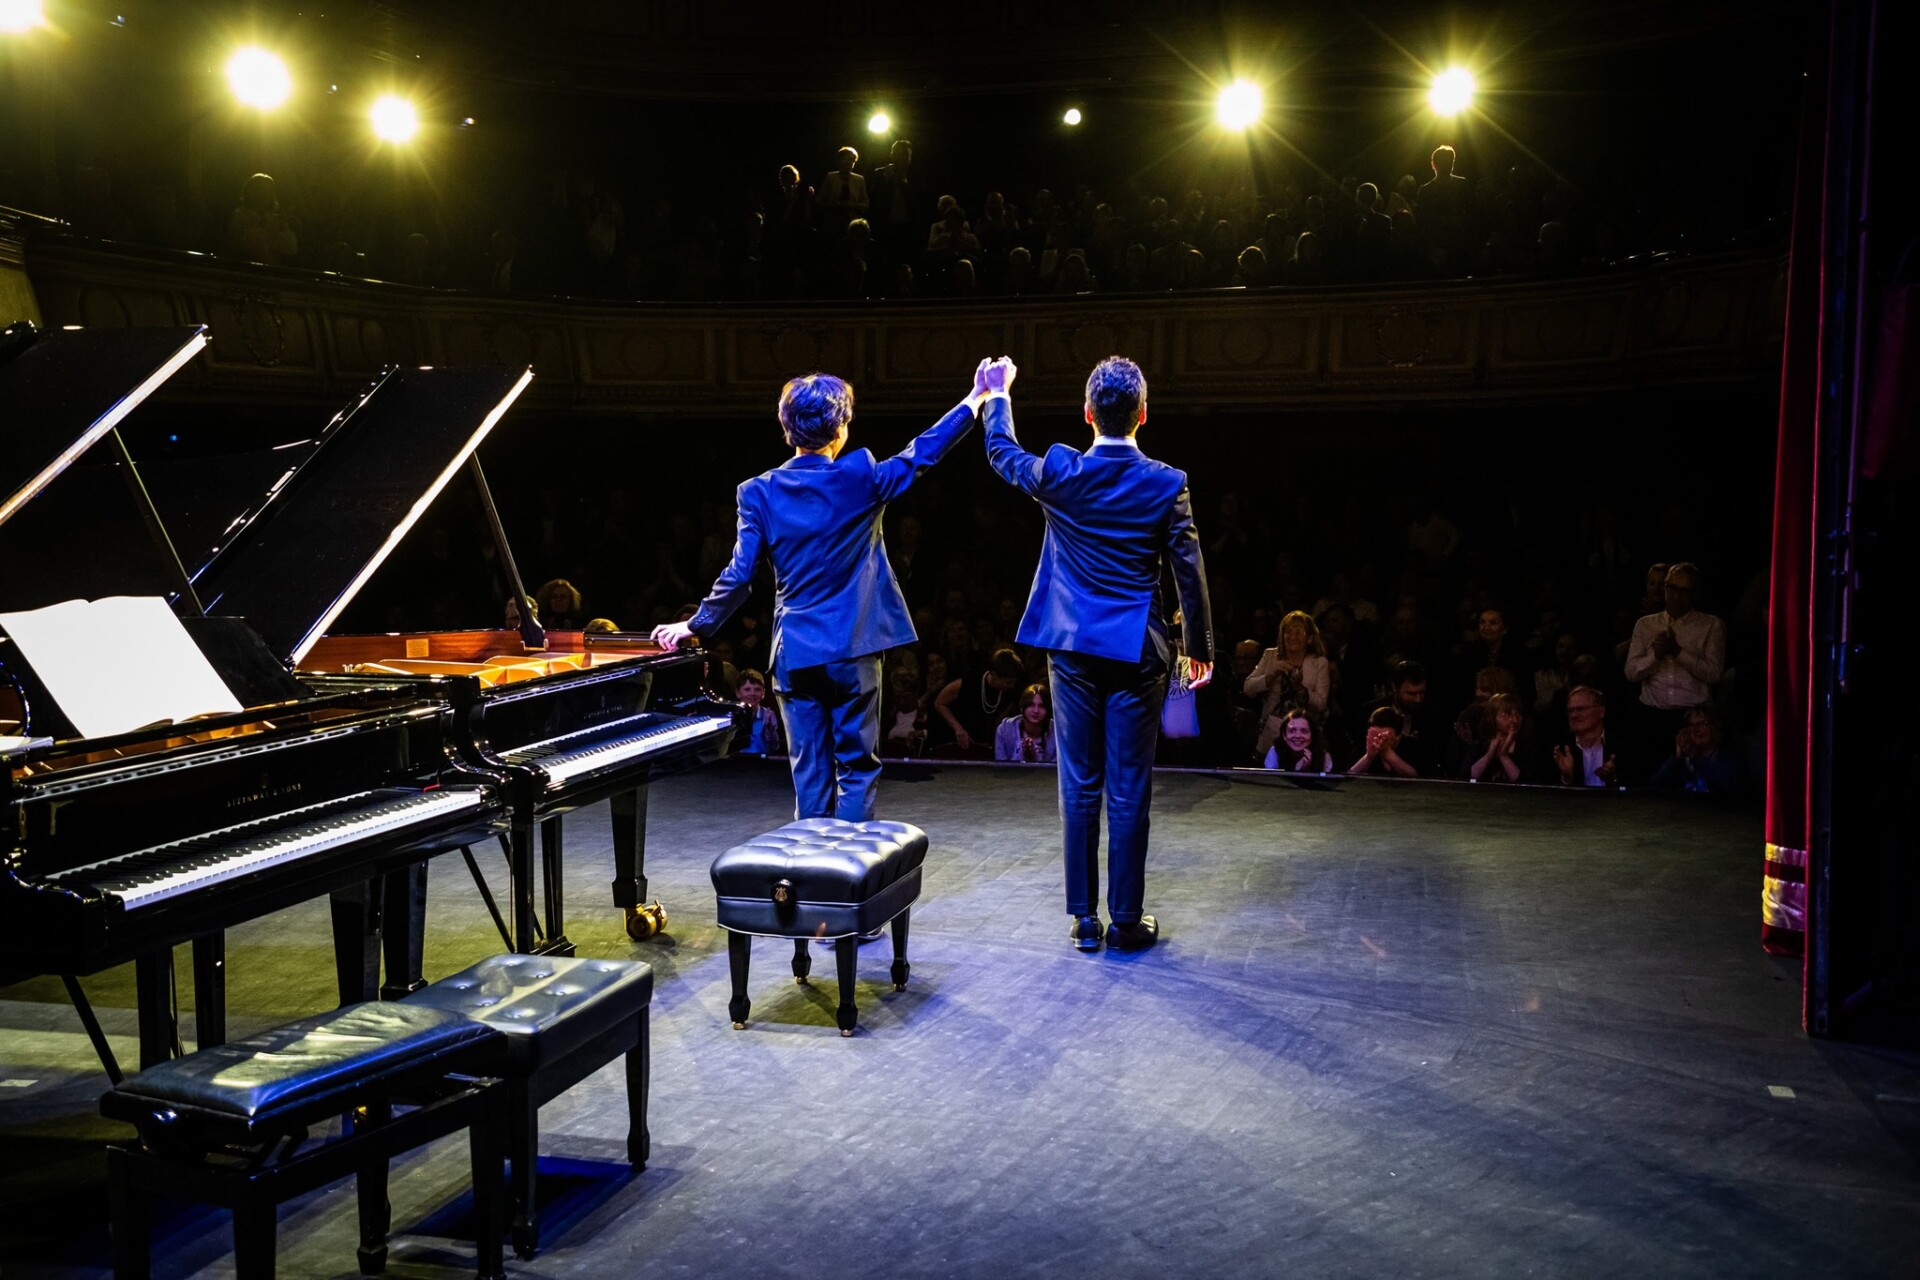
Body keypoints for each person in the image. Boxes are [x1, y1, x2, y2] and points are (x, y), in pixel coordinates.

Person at [651, 365, 986, 822]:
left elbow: (740, 574)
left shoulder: (758, 492)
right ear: (840, 428)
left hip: (795, 654)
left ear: (787, 429)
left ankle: (810, 878)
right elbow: (921, 453)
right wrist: (976, 398)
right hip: (853, 649)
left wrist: (695, 624)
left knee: (809, 775)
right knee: (857, 768)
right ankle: (849, 881)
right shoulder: (861, 478)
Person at [981, 354, 1213, 953]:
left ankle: (1085, 920)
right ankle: (1127, 919)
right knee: (1129, 785)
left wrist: (999, 394)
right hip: (1139, 649)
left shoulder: (1062, 471)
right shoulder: (1167, 481)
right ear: (1143, 415)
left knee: (1079, 784)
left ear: (1088, 414)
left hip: (1075, 649)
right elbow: (1190, 572)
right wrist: (1200, 648)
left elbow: (1003, 455)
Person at [1244, 609, 1330, 762]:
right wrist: (1271, 675)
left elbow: (1321, 704)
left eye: (1298, 632)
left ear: (1309, 638)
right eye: (1288, 632)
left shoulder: (1319, 662)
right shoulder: (1270, 656)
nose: (1292, 637)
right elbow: (1248, 688)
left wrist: (1300, 689)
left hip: (1304, 735)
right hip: (1271, 733)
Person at [1648, 704, 1746, 793]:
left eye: (1701, 724)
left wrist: (1698, 759)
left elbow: (1725, 786)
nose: (1695, 729)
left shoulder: (1730, 758)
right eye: (1691, 725)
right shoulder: (1686, 760)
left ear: (1716, 726)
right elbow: (1655, 785)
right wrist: (1677, 757)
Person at [1552, 685, 1624, 787]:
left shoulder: (1619, 745)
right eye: (1570, 711)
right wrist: (1567, 777)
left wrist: (1613, 778)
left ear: (1601, 712)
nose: (1574, 715)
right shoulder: (1561, 750)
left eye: (1580, 709)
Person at [1348, 705, 1419, 778]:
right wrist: (1368, 757)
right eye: (1377, 736)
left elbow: (1416, 779)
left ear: (1398, 736)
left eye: (1385, 738)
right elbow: (1349, 778)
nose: (1379, 741)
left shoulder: (1412, 746)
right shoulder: (1366, 744)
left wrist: (1387, 752)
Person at [995, 684, 1057, 763]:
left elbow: (1057, 770)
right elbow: (1001, 769)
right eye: (1031, 705)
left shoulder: (1058, 732)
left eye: (1041, 706)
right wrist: (1020, 754)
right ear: (1022, 706)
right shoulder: (1004, 729)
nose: (1036, 711)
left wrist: (1037, 757)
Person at [731, 668, 787, 758]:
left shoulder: (768, 714)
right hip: (738, 762)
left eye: (757, 689)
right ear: (738, 693)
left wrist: (770, 729)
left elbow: (775, 746)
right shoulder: (731, 716)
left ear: (763, 693)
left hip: (761, 763)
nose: (752, 693)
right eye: (747, 689)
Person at [1262, 707, 1333, 773]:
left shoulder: (1323, 756)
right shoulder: (1275, 752)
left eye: (1304, 731)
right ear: (1284, 735)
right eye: (1292, 730)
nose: (1298, 736)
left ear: (1312, 735)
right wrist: (1297, 770)